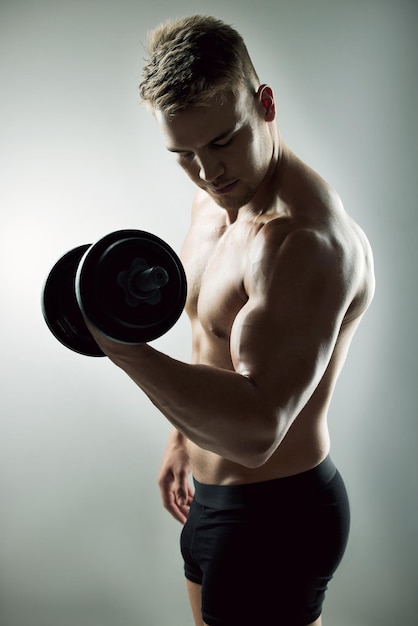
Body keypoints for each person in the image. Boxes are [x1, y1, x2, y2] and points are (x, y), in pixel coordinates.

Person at [88, 15, 375, 626]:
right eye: (184, 155)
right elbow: (211, 344)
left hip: (277, 515)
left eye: (222, 141)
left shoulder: (303, 241)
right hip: (214, 502)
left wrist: (124, 349)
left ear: (265, 103)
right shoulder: (215, 195)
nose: (208, 171)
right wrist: (181, 438)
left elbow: (257, 430)